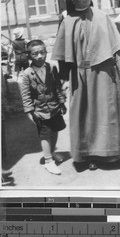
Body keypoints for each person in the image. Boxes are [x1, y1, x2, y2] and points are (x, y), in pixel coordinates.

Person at [51, 0, 120, 171]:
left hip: (105, 74)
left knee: (108, 114)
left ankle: (112, 156)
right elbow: (62, 57)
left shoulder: (101, 16)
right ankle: (89, 156)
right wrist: (64, 79)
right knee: (85, 117)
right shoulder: (67, 21)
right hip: (80, 77)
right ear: (72, 1)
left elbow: (116, 46)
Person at [21, 40, 67, 175]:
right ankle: (48, 161)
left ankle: (51, 153)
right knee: (45, 135)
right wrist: (30, 113)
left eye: (42, 52)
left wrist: (62, 103)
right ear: (29, 56)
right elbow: (26, 96)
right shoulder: (27, 74)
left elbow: (57, 87)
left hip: (54, 107)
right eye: (35, 54)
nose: (40, 56)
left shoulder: (51, 68)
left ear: (46, 52)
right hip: (40, 111)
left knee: (56, 130)